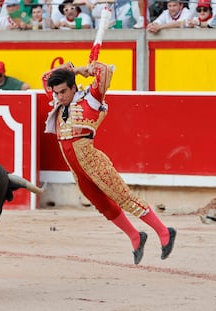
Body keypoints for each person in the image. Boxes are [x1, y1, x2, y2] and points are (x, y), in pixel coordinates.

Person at [42, 60, 176, 265]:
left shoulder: (92, 99)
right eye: (57, 93)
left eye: (63, 92)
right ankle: (135, 237)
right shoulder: (59, 103)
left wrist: (82, 71)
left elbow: (103, 71)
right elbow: (46, 77)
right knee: (103, 206)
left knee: (124, 197)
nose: (59, 96)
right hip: (77, 170)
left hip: (94, 163)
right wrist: (73, 70)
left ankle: (164, 231)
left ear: (73, 87)